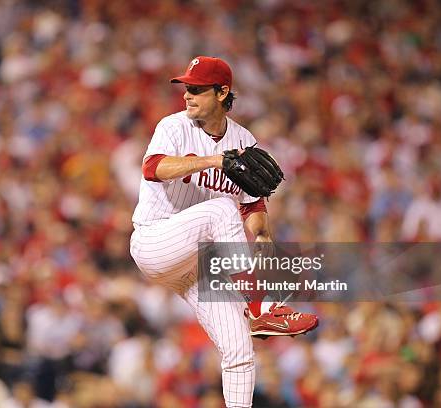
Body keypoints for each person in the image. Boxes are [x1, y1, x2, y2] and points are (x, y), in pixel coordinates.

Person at [129, 56, 318, 406]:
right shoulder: (173, 126)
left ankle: (258, 315)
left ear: (222, 92)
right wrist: (216, 161)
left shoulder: (244, 139)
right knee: (219, 209)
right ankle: (261, 307)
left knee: (239, 349)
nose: (187, 95)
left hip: (199, 265)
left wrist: (262, 237)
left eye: (197, 89)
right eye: (187, 88)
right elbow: (153, 168)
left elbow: (252, 206)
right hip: (155, 241)